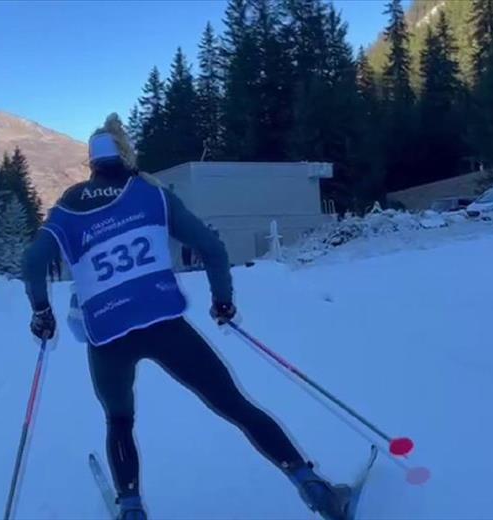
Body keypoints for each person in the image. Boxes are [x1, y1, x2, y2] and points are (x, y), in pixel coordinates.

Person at [21, 114, 351, 520]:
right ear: (125, 155)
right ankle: (314, 488)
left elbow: (33, 261)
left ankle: (130, 508)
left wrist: (41, 312)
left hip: (107, 335)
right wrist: (222, 301)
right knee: (235, 405)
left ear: (92, 163)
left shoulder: (69, 204)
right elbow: (211, 247)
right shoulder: (152, 193)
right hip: (164, 323)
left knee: (119, 419)